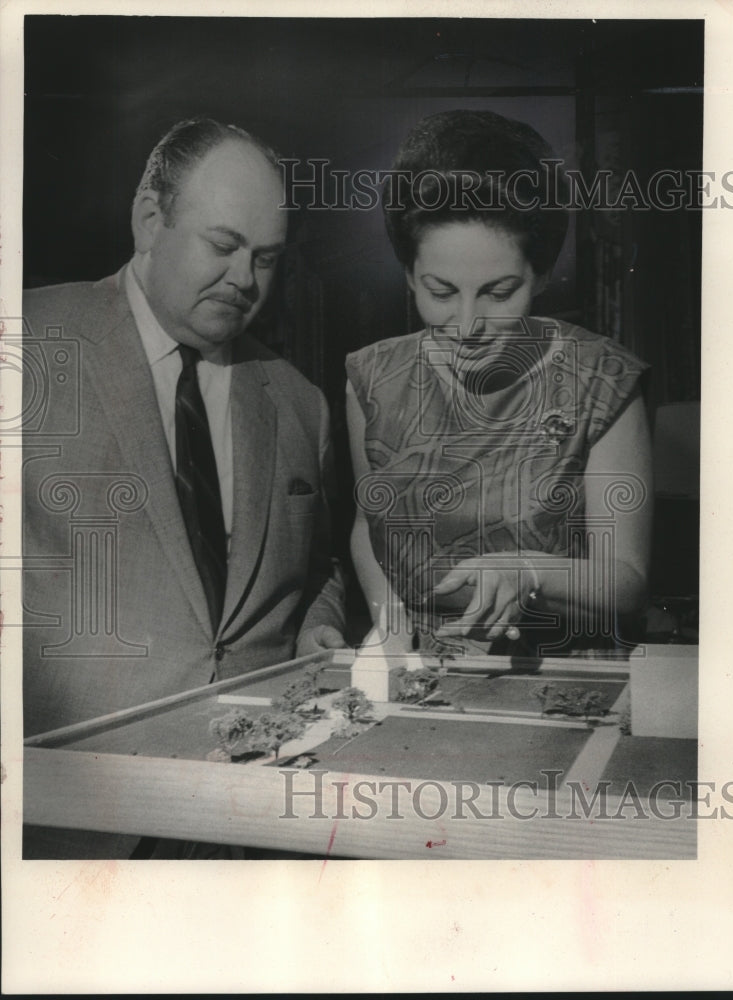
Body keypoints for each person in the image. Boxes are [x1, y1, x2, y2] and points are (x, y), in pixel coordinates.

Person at [22, 118, 346, 856]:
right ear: (148, 218)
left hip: (259, 821)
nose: (244, 280)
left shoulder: (301, 401)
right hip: (71, 827)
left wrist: (315, 627)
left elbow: (319, 565)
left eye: (266, 259)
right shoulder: (27, 342)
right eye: (223, 245)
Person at [346, 110, 652, 659]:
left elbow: (626, 583)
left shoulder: (602, 379)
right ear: (410, 275)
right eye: (440, 292)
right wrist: (391, 629)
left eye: (499, 291)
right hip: (421, 662)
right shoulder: (371, 380)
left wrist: (526, 570)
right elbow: (370, 530)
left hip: (564, 665)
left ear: (540, 274)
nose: (467, 326)